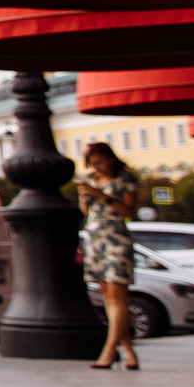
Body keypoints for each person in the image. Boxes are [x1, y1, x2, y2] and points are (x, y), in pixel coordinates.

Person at [78, 142, 142, 371]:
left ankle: (108, 349)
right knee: (107, 298)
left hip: (116, 239)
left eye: (99, 163)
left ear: (110, 159)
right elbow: (86, 212)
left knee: (117, 297)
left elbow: (129, 212)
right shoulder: (90, 179)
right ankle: (129, 353)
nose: (96, 168)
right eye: (92, 164)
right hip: (95, 240)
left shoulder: (125, 179)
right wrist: (85, 197)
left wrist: (101, 195)